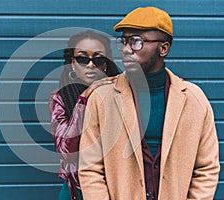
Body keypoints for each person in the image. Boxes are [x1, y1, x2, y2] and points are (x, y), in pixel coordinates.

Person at [78, 6, 220, 200]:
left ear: (163, 48)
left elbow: (207, 168)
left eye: (137, 41)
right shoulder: (102, 98)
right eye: (124, 41)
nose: (127, 49)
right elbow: (90, 168)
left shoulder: (194, 100)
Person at [48, 30, 119, 200]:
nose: (90, 65)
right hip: (76, 191)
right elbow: (67, 150)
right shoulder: (60, 98)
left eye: (98, 59)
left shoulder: (121, 94)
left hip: (117, 187)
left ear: (106, 64)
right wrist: (85, 98)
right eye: (82, 58)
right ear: (72, 63)